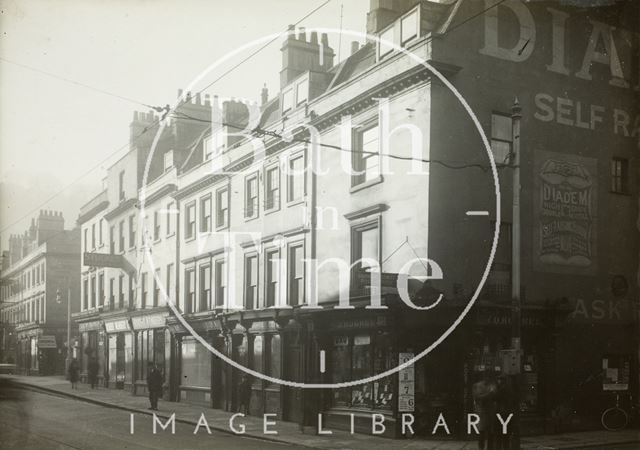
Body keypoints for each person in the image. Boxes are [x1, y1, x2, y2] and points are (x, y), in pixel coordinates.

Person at [473, 370, 498, 450]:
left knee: (491, 433)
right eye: (486, 376)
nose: (487, 378)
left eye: (489, 376)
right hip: (482, 412)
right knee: (482, 432)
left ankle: (489, 448)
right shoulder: (478, 386)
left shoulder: (492, 385)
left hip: (490, 412)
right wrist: (489, 394)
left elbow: (496, 396)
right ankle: (481, 448)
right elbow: (477, 397)